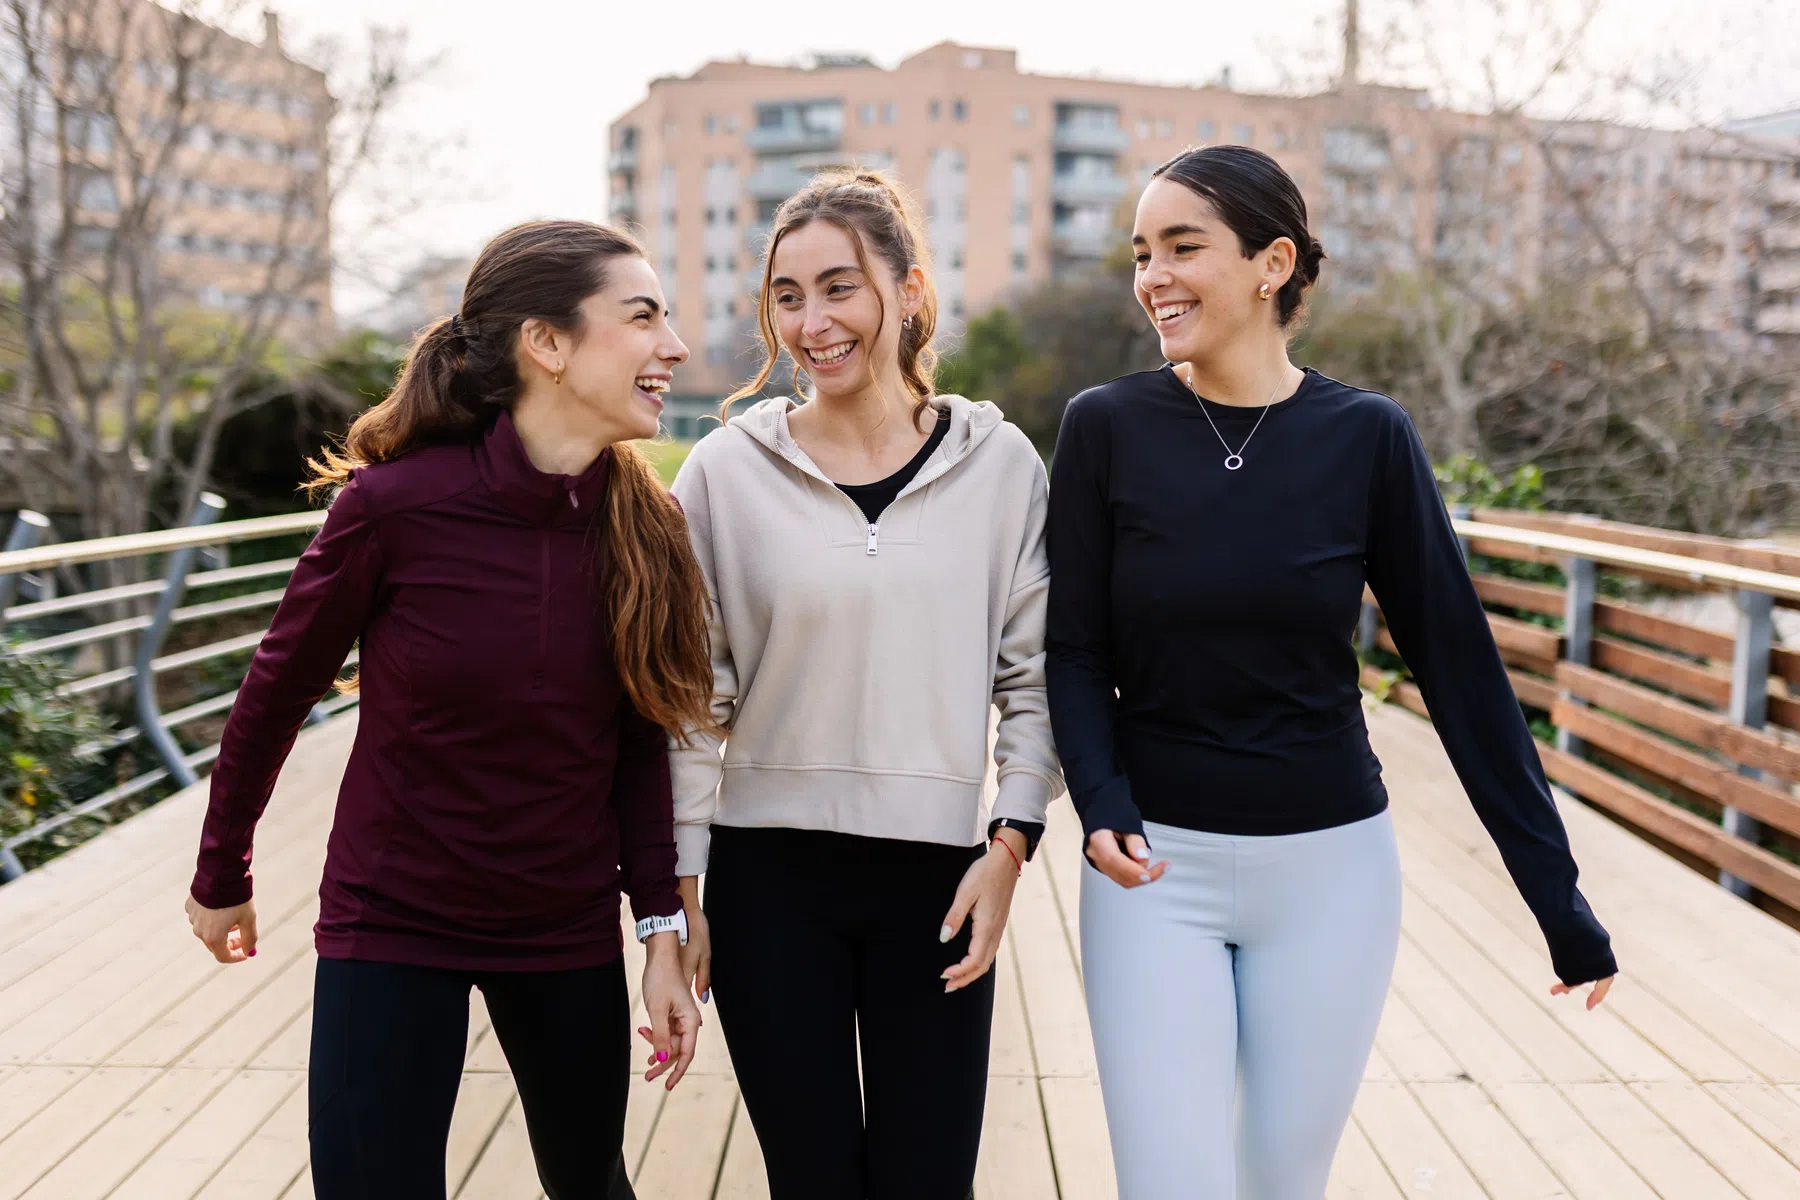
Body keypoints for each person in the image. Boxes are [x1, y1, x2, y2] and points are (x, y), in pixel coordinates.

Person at [1045, 145, 1619, 1200]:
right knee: (1171, 1184)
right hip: (1150, 875)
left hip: (1331, 879)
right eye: (1141, 253)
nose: (1153, 277)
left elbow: (1461, 672)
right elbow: (1073, 648)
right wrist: (1102, 804)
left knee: (1277, 1185)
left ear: (1273, 264)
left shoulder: (1367, 439)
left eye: (1182, 247)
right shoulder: (1106, 428)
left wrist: (1558, 896)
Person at [182, 220, 709, 1200]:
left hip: (560, 926)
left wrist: (659, 930)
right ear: (546, 345)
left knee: (592, 1187)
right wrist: (222, 870)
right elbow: (275, 693)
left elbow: (639, 745)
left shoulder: (648, 522)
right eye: (642, 319)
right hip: (394, 917)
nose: (672, 347)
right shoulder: (395, 507)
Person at [666, 168, 1062, 1199]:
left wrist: (1012, 841)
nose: (811, 322)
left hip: (936, 877)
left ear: (910, 290)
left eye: (839, 287)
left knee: (929, 1182)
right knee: (813, 1183)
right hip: (766, 884)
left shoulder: (1002, 465)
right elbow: (687, 699)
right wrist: (682, 887)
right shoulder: (723, 472)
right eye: (787, 297)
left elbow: (1038, 677)